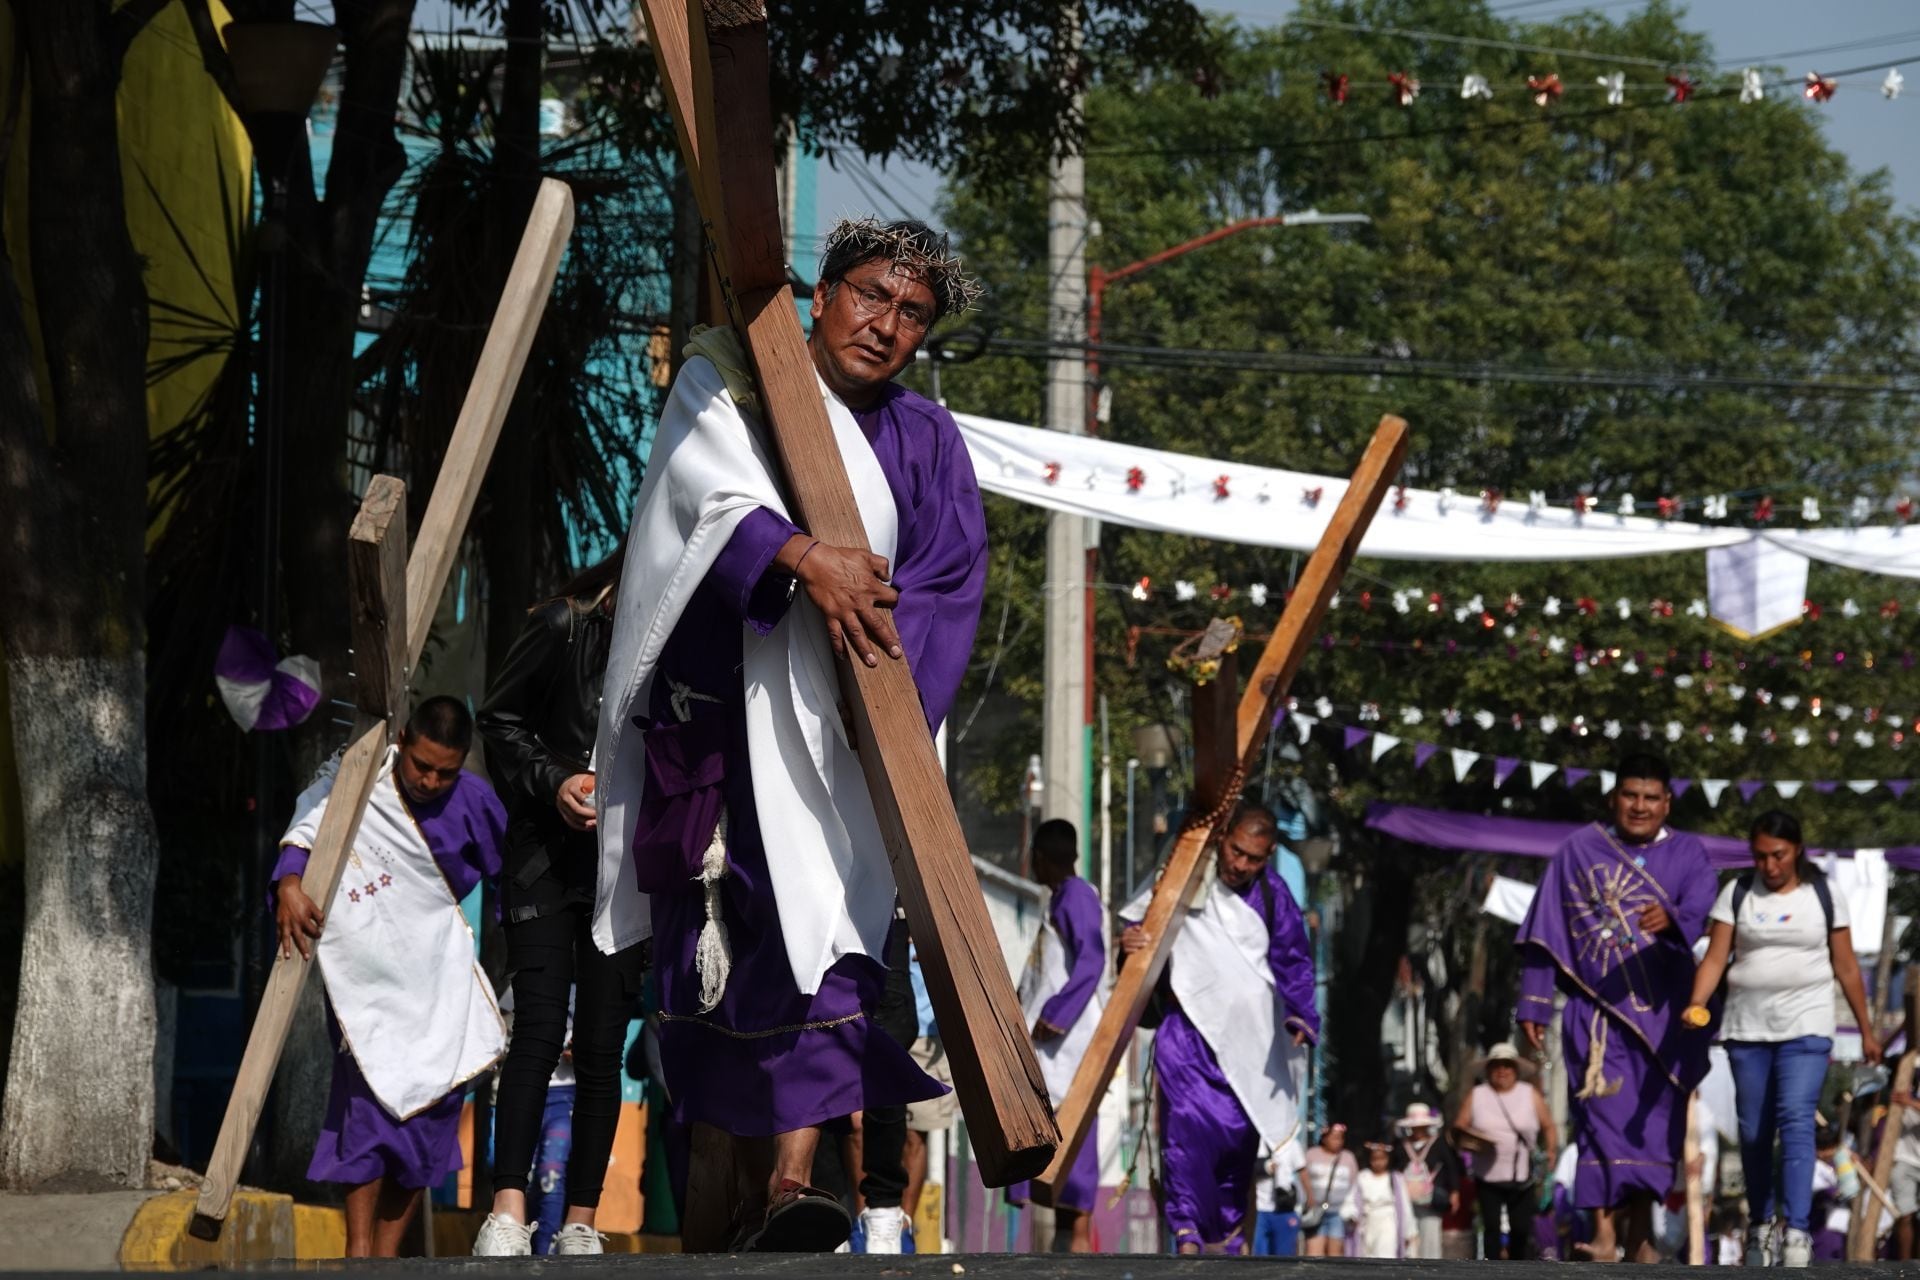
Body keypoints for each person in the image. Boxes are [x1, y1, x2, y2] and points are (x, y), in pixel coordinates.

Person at [592, 217, 987, 1252]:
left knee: (831, 954)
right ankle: (720, 1173)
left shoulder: (928, 439)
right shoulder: (726, 383)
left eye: (912, 315)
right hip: (718, 732)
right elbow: (697, 503)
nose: (887, 325)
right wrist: (804, 557)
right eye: (871, 296)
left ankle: (796, 1182)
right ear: (822, 292)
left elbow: (948, 583)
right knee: (714, 956)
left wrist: (886, 704)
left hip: (839, 741)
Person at [271, 697, 507, 1258]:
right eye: (421, 764)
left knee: (428, 1117)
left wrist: (511, 970)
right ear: (402, 739)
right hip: (368, 976)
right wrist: (287, 885)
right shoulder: (362, 781)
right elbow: (305, 830)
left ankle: (386, 1257)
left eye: (445, 772)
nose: (429, 780)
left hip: (436, 980)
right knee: (367, 1110)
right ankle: (358, 1254)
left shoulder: (476, 802)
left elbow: (511, 884)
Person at [473, 553, 647, 1257]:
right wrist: (556, 782)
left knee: (604, 1045)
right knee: (539, 1030)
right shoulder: (560, 625)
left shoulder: (683, 645)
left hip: (627, 863)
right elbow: (500, 720)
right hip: (545, 857)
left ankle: (580, 1220)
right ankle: (508, 1211)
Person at [1514, 753, 1716, 1262]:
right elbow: (1545, 932)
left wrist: (1670, 919)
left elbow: (1701, 909)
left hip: (1664, 1017)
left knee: (1652, 1129)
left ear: (1667, 802)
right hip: (1596, 1014)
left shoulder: (1690, 853)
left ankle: (1641, 1235)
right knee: (1598, 1119)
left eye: (1651, 798)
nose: (1640, 807)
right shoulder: (1579, 849)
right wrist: (1534, 1003)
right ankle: (1603, 1235)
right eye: (1631, 795)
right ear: (1613, 798)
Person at [1683, 809, 1879, 1268]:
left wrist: (1867, 1030)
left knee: (1795, 1119)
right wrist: (1696, 1003)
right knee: (1753, 1130)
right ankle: (1760, 1226)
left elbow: (1847, 966)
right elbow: (1714, 958)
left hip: (1807, 1026)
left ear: (1797, 850)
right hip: (1746, 1029)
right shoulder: (1737, 893)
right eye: (1760, 856)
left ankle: (1796, 1232)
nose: (1769, 866)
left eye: (1778, 855)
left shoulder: (1824, 894)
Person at [1119, 804, 1317, 1254]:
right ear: (1223, 838)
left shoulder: (1273, 895)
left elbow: (1295, 961)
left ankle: (1229, 1239)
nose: (1240, 864)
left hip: (1251, 1047)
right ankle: (1186, 1233)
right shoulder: (1184, 871)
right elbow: (1142, 923)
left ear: (1267, 859)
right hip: (1186, 1033)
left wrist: (1303, 1015)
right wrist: (1129, 940)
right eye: (1236, 851)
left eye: (1254, 858)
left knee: (1235, 1143)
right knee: (1183, 1134)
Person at [1008, 819, 1107, 1252]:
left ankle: (1076, 1244)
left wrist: (1057, 1014)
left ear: (1041, 859)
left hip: (1067, 1045)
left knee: (1073, 1142)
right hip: (1049, 1047)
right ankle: (1063, 1243)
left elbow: (1092, 962)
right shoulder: (1061, 900)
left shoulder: (1077, 896)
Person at [1454, 1043, 1555, 1260]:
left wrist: (1552, 1151)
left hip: (1522, 1176)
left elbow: (1548, 1125)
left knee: (1520, 1228)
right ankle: (1491, 1271)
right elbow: (1459, 1127)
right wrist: (1474, 1141)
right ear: (1489, 1069)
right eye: (1497, 1065)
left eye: (1507, 1065)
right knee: (1491, 1227)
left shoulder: (1530, 1094)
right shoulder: (1477, 1094)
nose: (1502, 1070)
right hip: (1487, 1174)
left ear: (1515, 1069)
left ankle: (1518, 1269)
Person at [1393, 1102, 1460, 1258]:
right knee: (1408, 1238)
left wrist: (1455, 1191)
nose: (1418, 1130)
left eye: (1421, 1126)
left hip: (1432, 1200)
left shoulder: (1439, 1143)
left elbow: (1451, 1167)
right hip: (1406, 1200)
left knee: (1431, 1239)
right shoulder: (1401, 1145)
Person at [1345, 1140, 1417, 1258]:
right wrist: (1351, 1215)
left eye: (1382, 1158)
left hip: (1388, 1222)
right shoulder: (1362, 1177)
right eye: (1375, 1159)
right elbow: (1351, 1200)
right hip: (1368, 1222)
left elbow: (1405, 1206)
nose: (1379, 1162)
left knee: (1386, 1253)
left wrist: (1409, 1231)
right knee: (1367, 1255)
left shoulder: (1395, 1178)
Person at [1299, 1125, 1358, 1255]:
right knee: (1314, 1254)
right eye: (1334, 1138)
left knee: (1335, 1255)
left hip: (1338, 1213)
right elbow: (1302, 1180)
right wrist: (1307, 1199)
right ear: (1324, 1138)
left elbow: (1354, 1186)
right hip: (1316, 1212)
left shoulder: (1348, 1157)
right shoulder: (1311, 1154)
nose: (1338, 1142)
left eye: (1340, 1138)